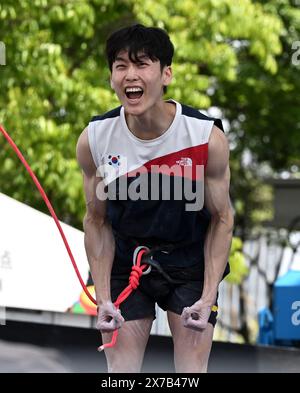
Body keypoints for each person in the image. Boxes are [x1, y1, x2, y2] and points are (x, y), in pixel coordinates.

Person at [76, 24, 234, 373]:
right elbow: (96, 221)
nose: (130, 75)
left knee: (190, 374)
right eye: (120, 66)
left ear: (166, 74)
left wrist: (207, 298)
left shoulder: (206, 137)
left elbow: (223, 219)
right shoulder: (95, 139)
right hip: (126, 261)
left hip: (190, 261)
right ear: (111, 77)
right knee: (122, 375)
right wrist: (102, 297)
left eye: (142, 64)